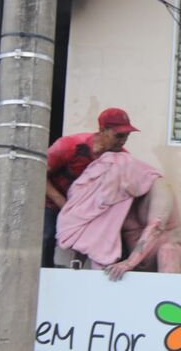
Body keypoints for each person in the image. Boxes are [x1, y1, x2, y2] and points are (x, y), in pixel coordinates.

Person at [55, 151, 181, 280]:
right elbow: (93, 235)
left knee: (167, 251)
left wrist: (129, 263)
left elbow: (156, 227)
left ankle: (169, 305)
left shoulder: (159, 187)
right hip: (138, 265)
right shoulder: (116, 198)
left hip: (179, 257)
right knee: (106, 261)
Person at [42, 107, 139, 267]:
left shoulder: (122, 157)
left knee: (120, 245)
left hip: (90, 210)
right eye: (119, 135)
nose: (123, 141)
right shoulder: (69, 146)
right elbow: (38, 174)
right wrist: (62, 202)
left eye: (126, 136)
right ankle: (42, 278)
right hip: (54, 202)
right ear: (102, 130)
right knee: (46, 235)